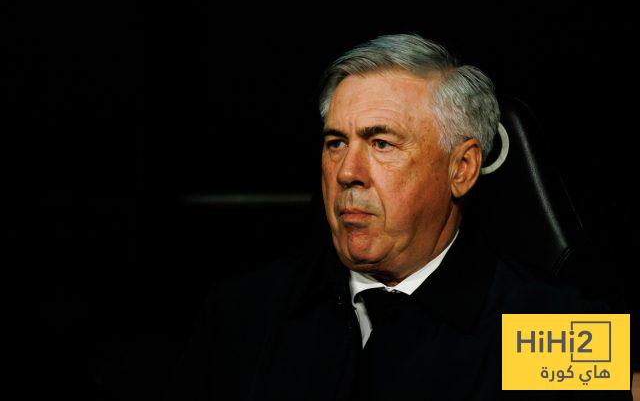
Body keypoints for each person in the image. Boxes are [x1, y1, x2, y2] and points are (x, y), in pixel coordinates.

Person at [165, 34, 632, 400]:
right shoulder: (244, 314)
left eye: (381, 143)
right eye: (335, 143)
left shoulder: (557, 329)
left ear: (461, 169)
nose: (347, 171)